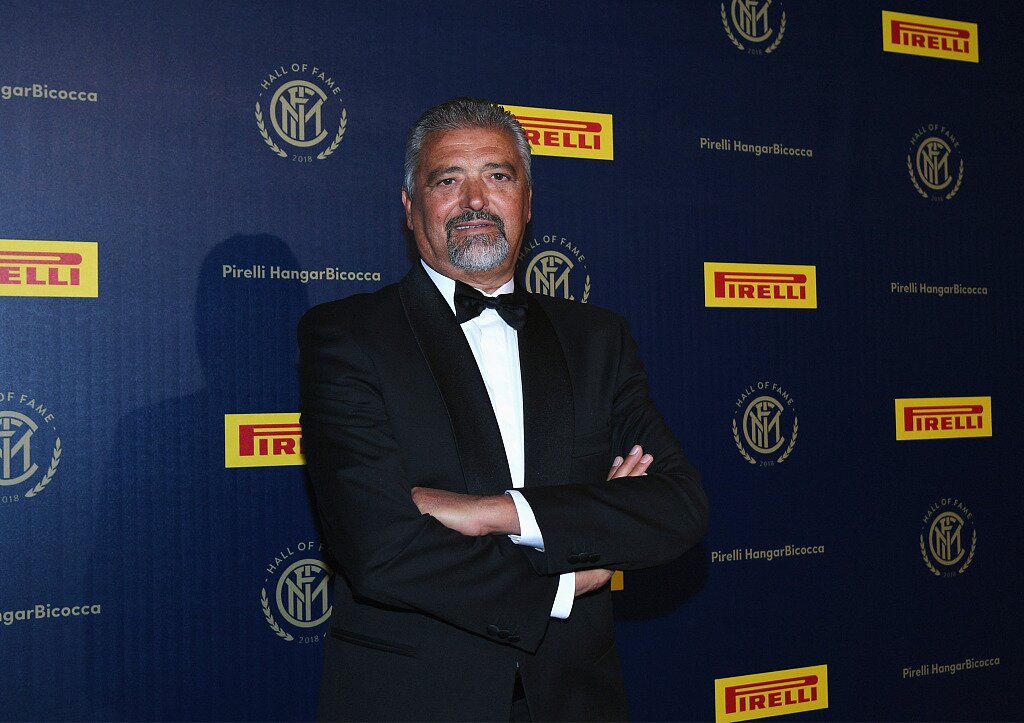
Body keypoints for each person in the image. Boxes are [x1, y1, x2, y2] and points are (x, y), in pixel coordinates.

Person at [298, 97, 708, 722]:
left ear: (527, 200)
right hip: (413, 702)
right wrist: (567, 579)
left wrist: (496, 512)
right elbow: (378, 547)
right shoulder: (347, 336)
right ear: (410, 207)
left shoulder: (597, 339)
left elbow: (677, 506)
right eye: (447, 181)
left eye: (497, 176)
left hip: (576, 702)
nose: (474, 201)